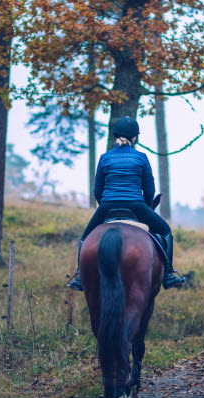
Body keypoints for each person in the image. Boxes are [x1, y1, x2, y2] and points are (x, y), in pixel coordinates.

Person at [67, 116, 184, 291]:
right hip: (135, 205)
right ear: (134, 138)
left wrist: (105, 205)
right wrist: (144, 207)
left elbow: (97, 190)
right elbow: (149, 190)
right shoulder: (141, 158)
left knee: (85, 237)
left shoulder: (104, 158)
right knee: (166, 231)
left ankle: (80, 277)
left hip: (107, 206)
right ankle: (168, 274)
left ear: (115, 136)